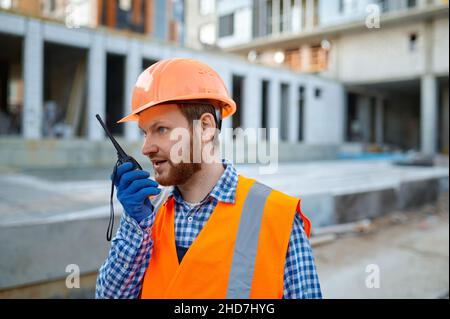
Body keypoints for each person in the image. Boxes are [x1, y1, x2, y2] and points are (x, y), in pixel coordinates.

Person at [96, 58, 322, 299]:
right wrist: (134, 226)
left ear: (205, 128)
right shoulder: (147, 216)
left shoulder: (278, 218)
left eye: (161, 129)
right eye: (144, 132)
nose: (146, 148)